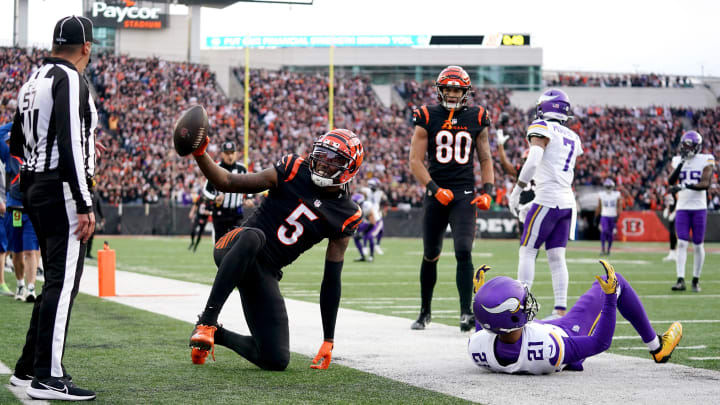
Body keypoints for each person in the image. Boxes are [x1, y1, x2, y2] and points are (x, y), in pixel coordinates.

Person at [186, 128, 364, 371]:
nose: (323, 164)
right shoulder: (293, 169)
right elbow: (226, 181)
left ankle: (215, 335)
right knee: (254, 236)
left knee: (276, 358)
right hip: (235, 245)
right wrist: (200, 153)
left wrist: (328, 338)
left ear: (350, 169)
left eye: (333, 161)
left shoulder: (346, 215)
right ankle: (207, 321)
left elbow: (331, 280)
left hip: (265, 272)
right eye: (321, 155)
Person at [8, 15, 98, 401]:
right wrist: (84, 201)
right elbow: (67, 143)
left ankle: (28, 370)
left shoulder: (32, 80)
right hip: (60, 189)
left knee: (54, 285)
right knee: (63, 285)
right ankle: (49, 375)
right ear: (86, 48)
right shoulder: (70, 78)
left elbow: (15, 143)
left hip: (34, 186)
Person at [468, 261, 683, 374]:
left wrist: (481, 298)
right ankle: (658, 348)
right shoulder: (547, 347)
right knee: (617, 280)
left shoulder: (479, 346)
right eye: (523, 303)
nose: (528, 304)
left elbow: (486, 327)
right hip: (569, 332)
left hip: (537, 334)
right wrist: (609, 298)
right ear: (512, 319)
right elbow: (600, 342)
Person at [408, 65, 494, 332]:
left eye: (457, 89)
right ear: (440, 90)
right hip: (437, 194)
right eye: (448, 88)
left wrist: (488, 191)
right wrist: (434, 188)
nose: (453, 93)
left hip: (464, 194)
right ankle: (425, 312)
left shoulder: (477, 116)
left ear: (465, 91)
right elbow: (415, 161)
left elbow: (485, 157)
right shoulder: (427, 115)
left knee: (463, 250)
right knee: (431, 253)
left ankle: (466, 313)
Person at [508, 89, 582, 319]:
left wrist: (517, 190)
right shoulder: (573, 136)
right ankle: (560, 309)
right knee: (557, 257)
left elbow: (532, 162)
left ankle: (521, 305)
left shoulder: (542, 127)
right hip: (567, 202)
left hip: (547, 199)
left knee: (527, 251)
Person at [667, 131, 715, 292]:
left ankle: (695, 279)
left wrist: (685, 186)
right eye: (684, 144)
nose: (686, 148)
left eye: (690, 145)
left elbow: (705, 183)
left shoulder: (706, 159)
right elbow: (670, 181)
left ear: (697, 147)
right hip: (682, 207)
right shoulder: (677, 159)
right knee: (681, 243)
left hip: (699, 207)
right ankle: (680, 279)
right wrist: (681, 162)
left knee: (698, 245)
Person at [0, 128, 39, 302]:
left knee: (31, 250)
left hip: (31, 210)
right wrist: (16, 121)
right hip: (15, 211)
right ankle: (20, 284)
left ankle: (31, 288)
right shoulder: (9, 155)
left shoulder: (37, 155)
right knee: (17, 251)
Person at [202, 141, 247, 242]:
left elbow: (249, 186)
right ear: (222, 154)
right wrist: (215, 198)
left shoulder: (242, 169)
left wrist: (249, 198)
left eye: (232, 153)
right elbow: (206, 190)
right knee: (220, 244)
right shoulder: (215, 168)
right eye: (227, 153)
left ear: (236, 153)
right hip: (220, 213)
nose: (230, 156)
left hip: (236, 212)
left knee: (237, 243)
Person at [351, 193, 383, 262]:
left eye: (354, 202)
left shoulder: (367, 206)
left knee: (369, 236)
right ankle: (362, 256)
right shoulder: (358, 207)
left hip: (375, 222)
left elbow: (372, 223)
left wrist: (362, 233)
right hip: (367, 222)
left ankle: (371, 256)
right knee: (356, 237)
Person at [595, 178, 622, 256]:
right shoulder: (601, 194)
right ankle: (603, 249)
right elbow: (599, 206)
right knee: (604, 231)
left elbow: (619, 206)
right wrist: (596, 216)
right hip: (604, 216)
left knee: (611, 234)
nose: (608, 188)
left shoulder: (617, 194)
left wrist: (618, 215)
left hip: (612, 216)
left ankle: (609, 250)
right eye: (607, 186)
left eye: (609, 186)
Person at [362, 178, 386, 254]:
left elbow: (385, 199)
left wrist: (382, 208)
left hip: (377, 213)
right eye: (376, 185)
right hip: (369, 213)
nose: (377, 186)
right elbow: (361, 190)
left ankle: (377, 245)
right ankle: (365, 246)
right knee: (367, 231)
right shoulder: (367, 191)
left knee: (381, 230)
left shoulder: (379, 192)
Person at [661, 192, 678, 262]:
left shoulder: (677, 192)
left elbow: (679, 203)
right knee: (671, 234)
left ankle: (678, 253)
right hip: (672, 214)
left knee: (676, 234)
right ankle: (672, 253)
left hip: (679, 214)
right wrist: (667, 209)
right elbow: (670, 203)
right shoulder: (670, 192)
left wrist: (675, 212)